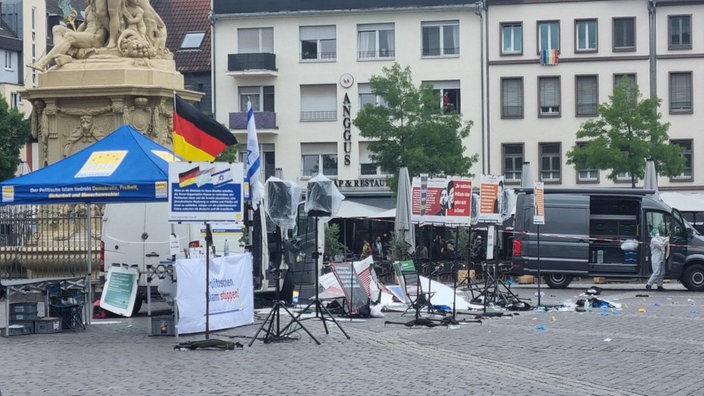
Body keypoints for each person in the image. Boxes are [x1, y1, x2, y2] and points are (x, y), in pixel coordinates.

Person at [29, 4, 107, 71]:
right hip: (86, 35)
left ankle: (43, 63)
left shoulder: (106, 7)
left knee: (69, 36)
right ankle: (64, 55)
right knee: (57, 28)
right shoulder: (88, 9)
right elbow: (84, 25)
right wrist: (77, 36)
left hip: (96, 38)